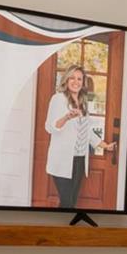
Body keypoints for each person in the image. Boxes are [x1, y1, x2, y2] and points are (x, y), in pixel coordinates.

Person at [44, 64, 104, 211]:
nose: (76, 81)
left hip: (79, 159)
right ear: (66, 80)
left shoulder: (82, 102)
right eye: (72, 78)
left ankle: (60, 230)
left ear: (83, 83)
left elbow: (86, 130)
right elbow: (49, 127)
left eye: (79, 79)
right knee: (67, 203)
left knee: (70, 203)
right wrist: (66, 117)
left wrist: (104, 144)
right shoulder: (58, 99)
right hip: (63, 160)